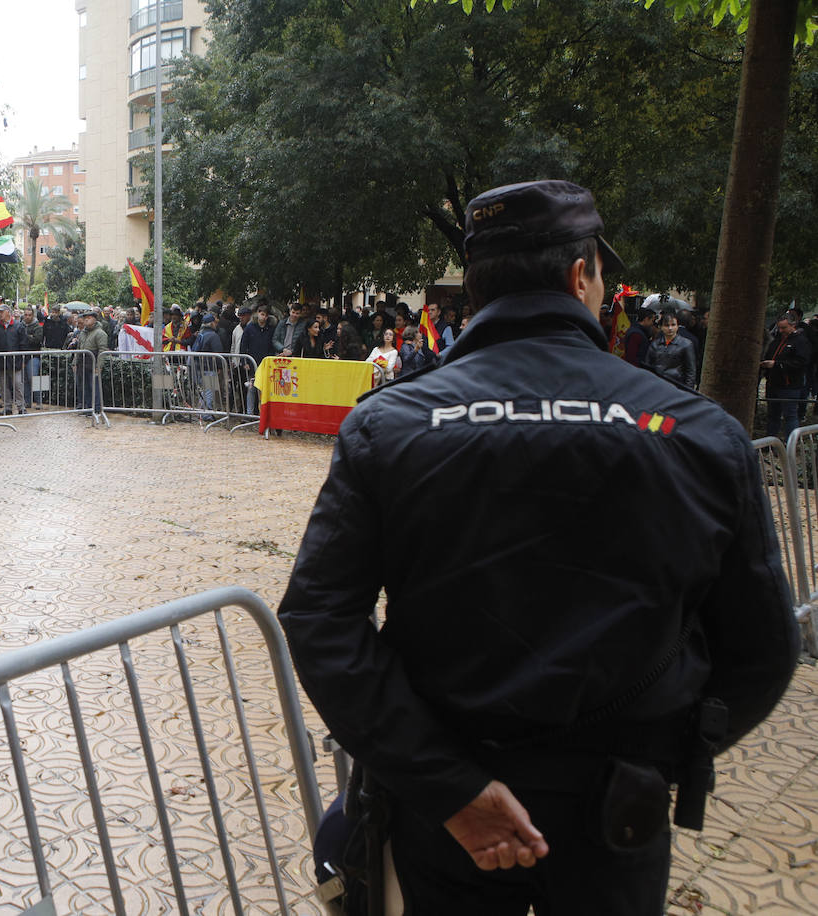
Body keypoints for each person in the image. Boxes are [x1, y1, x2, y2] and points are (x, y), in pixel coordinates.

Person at [278, 179, 798, 915]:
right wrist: (659, 757)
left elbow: (320, 623)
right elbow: (762, 649)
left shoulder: (388, 427)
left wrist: (448, 785)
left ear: (476, 287)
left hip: (444, 807)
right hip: (612, 808)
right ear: (581, 274)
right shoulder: (699, 433)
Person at [762, 313, 811, 441]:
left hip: (790, 385)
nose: (781, 331)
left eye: (784, 328)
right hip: (773, 383)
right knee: (773, 414)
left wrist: (777, 365)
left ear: (793, 325)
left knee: (790, 415)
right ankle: (770, 442)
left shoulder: (801, 341)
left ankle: (791, 443)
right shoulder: (777, 340)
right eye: (779, 328)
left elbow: (801, 362)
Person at [645, 312, 697, 389]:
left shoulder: (686, 344)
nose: (670, 328)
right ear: (661, 327)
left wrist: (688, 391)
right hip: (657, 385)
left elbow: (690, 371)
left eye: (673, 325)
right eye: (666, 325)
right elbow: (648, 367)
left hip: (677, 386)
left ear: (677, 326)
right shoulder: (655, 344)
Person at [75, 310, 108, 414]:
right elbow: (79, 348)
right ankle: (87, 407)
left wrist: (99, 366)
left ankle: (96, 408)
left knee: (94, 386)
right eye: (85, 318)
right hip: (82, 363)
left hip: (92, 362)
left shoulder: (100, 333)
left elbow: (102, 350)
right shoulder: (83, 333)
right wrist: (74, 362)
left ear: (94, 319)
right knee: (84, 386)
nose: (86, 320)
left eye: (89, 318)